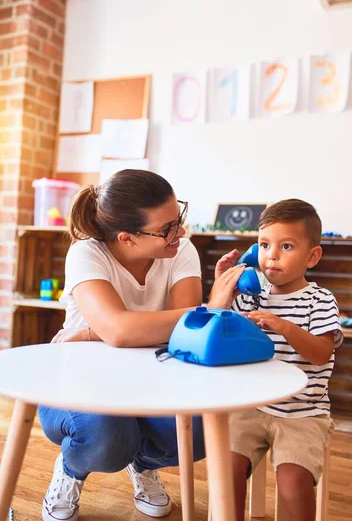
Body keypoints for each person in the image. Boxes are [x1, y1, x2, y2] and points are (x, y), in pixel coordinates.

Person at [39, 169, 244, 521]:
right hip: (78, 388)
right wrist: (205, 311)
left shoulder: (181, 249)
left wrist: (93, 331)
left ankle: (143, 462)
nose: (179, 231)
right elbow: (120, 330)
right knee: (107, 437)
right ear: (127, 239)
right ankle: (71, 469)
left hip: (150, 384)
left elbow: (187, 330)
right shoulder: (87, 255)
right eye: (167, 228)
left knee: (199, 430)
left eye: (177, 217)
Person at [209, 198, 343, 521]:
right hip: (252, 408)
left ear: (312, 256)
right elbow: (217, 332)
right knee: (224, 469)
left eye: (285, 246)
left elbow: (321, 353)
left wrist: (283, 326)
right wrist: (222, 289)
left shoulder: (320, 300)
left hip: (303, 413)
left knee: (292, 483)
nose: (272, 256)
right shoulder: (251, 297)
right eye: (264, 245)